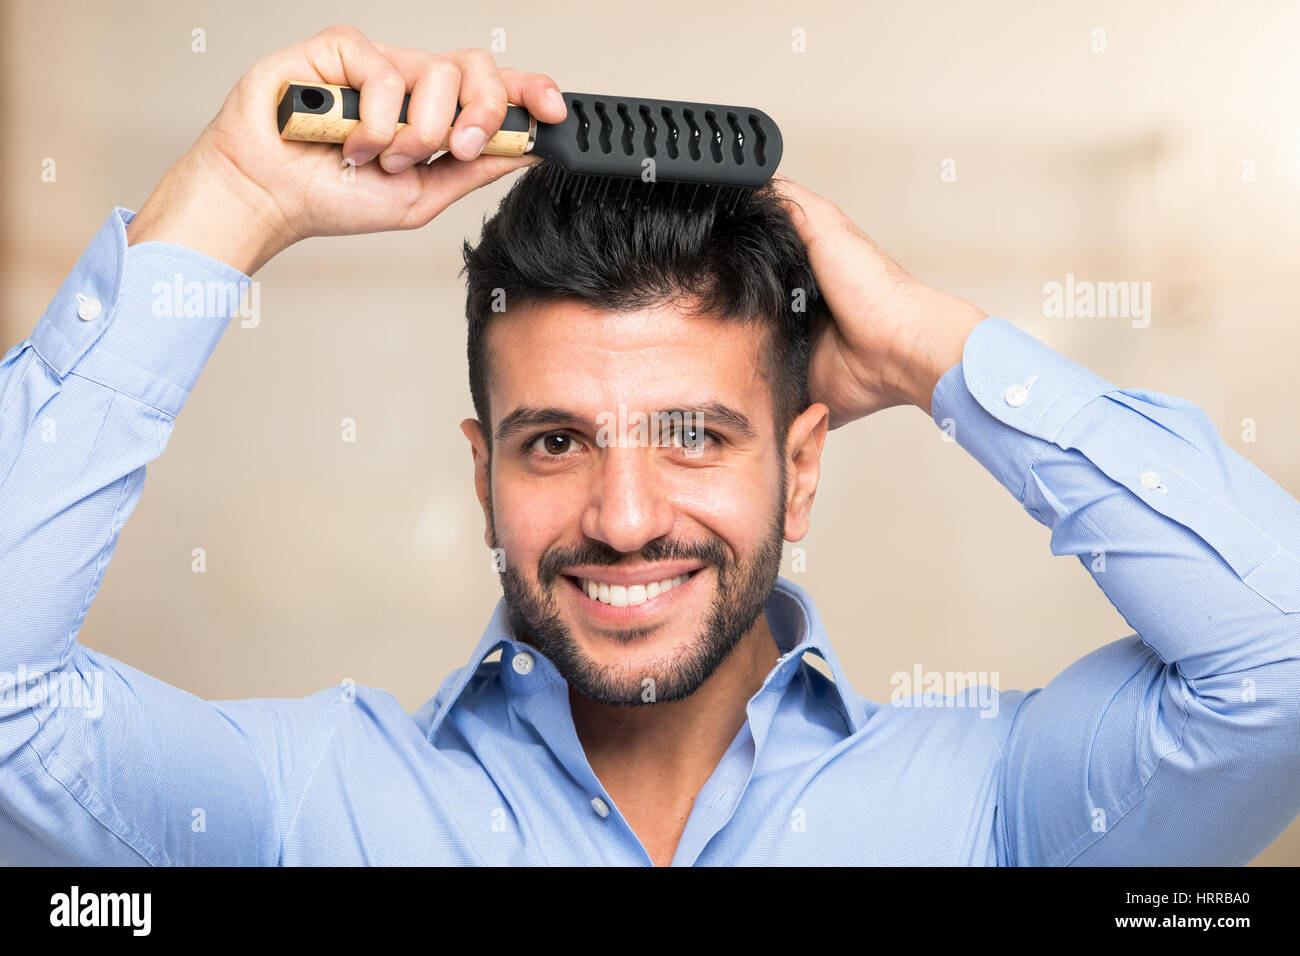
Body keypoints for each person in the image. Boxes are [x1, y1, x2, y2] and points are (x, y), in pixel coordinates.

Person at [2, 24, 1297, 867]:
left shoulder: (998, 810)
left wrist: (931, 348)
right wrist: (234, 198)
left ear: (800, 467)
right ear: (483, 474)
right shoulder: (307, 812)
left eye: (694, 436)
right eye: (557, 440)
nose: (624, 516)